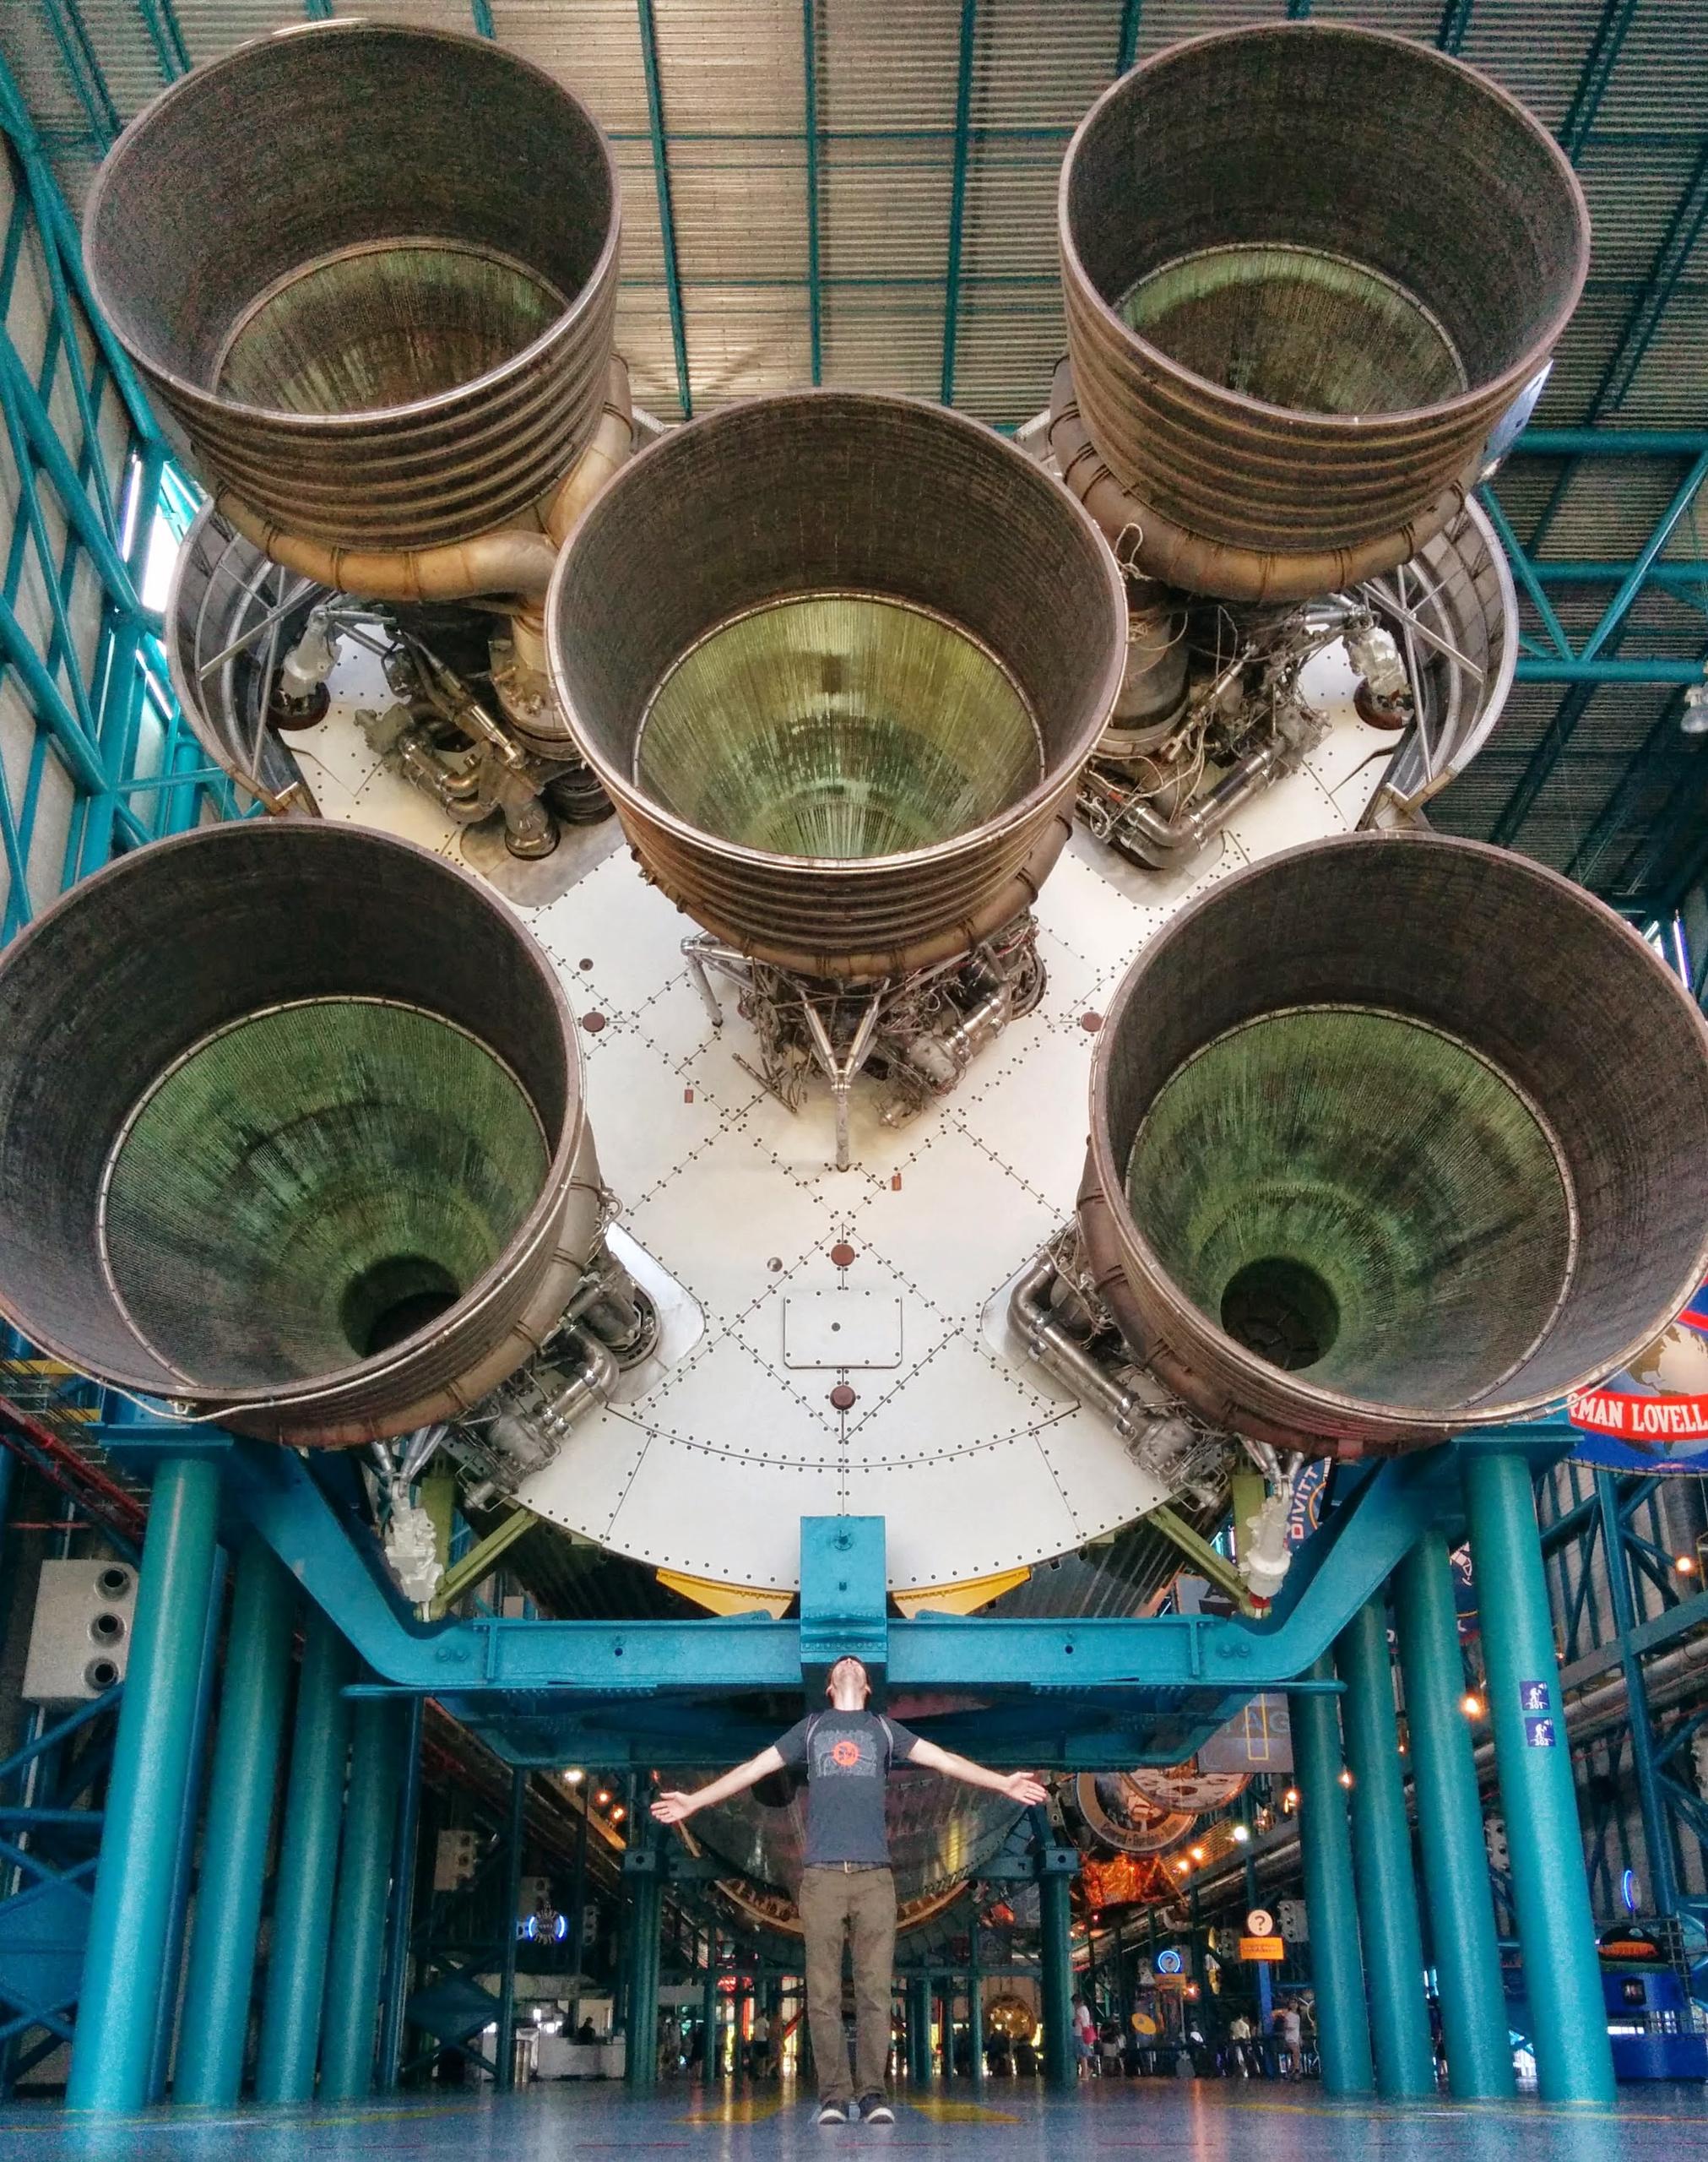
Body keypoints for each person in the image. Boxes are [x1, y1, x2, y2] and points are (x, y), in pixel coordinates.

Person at [653, 1654, 1045, 2125]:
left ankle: (873, 2095)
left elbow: (944, 1760)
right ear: (830, 1686)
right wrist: (693, 1801)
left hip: (875, 1878)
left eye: (855, 1662)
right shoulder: (810, 1729)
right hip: (819, 1877)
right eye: (842, 1661)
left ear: (866, 1686)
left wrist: (1002, 1783)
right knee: (820, 1993)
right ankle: (834, 2098)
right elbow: (754, 1768)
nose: (848, 1661)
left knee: (875, 1991)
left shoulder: (884, 1731)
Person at [1071, 1995, 1097, 2077]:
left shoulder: (1079, 2010)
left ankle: (1085, 2072)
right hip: (1085, 2033)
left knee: (1082, 2054)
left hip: (1079, 2033)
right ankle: (1086, 2071)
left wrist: (1074, 2021)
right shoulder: (1085, 2009)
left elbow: (1077, 2021)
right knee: (1083, 2053)